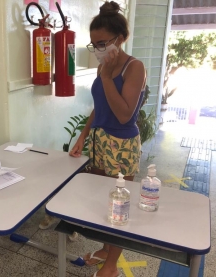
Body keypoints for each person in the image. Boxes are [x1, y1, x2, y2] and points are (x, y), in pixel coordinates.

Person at [69, 2, 146, 277]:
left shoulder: (133, 67)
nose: (99, 49)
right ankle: (105, 248)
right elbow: (100, 105)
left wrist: (104, 76)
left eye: (103, 43)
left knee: (118, 207)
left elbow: (124, 114)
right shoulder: (106, 67)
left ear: (121, 38)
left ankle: (111, 265)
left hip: (121, 144)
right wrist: (83, 136)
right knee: (104, 201)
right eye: (94, 44)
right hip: (101, 140)